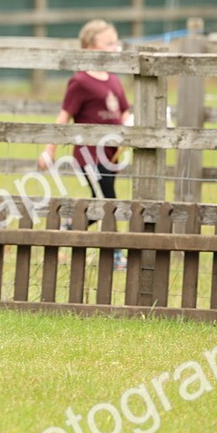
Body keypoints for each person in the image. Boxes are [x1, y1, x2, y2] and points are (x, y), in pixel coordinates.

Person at [37, 20, 132, 267]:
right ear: (90, 48)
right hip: (90, 154)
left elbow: (123, 113)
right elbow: (63, 117)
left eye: (116, 42)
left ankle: (68, 227)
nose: (114, 48)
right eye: (108, 43)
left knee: (99, 200)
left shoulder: (113, 79)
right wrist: (50, 150)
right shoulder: (80, 82)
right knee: (108, 200)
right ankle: (116, 255)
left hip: (112, 155)